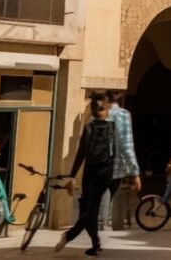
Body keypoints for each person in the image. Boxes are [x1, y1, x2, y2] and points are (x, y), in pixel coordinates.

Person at [57, 95, 115, 256]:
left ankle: (82, 239)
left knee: (89, 208)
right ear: (104, 110)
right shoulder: (112, 127)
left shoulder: (88, 128)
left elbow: (80, 154)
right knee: (90, 209)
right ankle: (86, 240)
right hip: (106, 171)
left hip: (90, 171)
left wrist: (72, 175)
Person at [104, 89, 140, 230]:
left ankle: (97, 233)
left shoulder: (95, 115)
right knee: (116, 199)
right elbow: (127, 145)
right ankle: (114, 227)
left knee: (99, 204)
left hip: (97, 167)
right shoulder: (123, 115)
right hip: (116, 168)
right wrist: (134, 172)